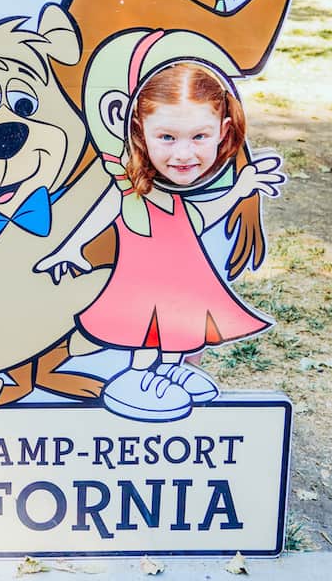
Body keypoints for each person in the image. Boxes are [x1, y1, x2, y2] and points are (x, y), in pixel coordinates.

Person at [76, 54, 283, 422]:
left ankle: (171, 369)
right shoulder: (124, 186)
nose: (184, 153)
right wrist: (69, 250)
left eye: (199, 136)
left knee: (179, 325)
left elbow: (201, 217)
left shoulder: (204, 195)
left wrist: (241, 190)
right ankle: (137, 376)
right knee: (144, 326)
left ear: (223, 130)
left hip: (181, 285)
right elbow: (96, 218)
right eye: (167, 137)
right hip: (139, 284)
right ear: (140, 130)